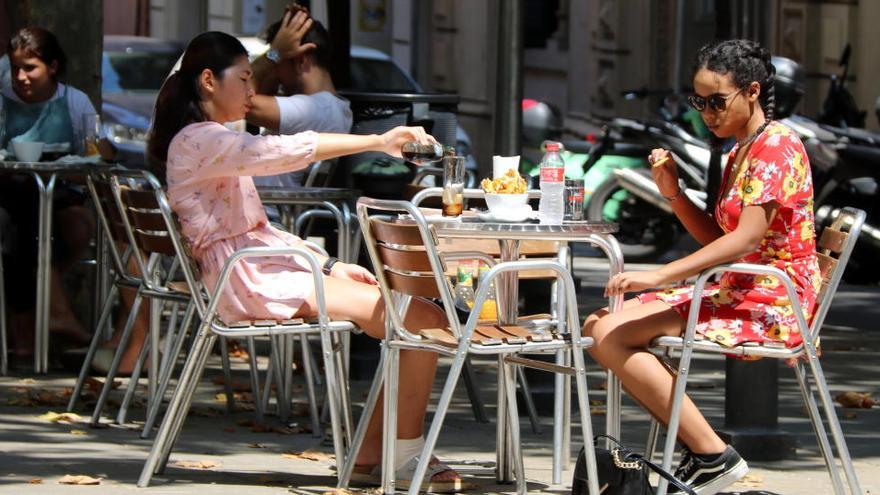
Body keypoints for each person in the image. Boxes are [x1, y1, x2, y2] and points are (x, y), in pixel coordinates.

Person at [147, 31, 467, 492]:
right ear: (208, 81)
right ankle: (401, 453)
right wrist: (377, 141)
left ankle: (378, 454)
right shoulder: (199, 140)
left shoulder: (205, 139)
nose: (252, 89)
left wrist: (328, 265)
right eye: (243, 78)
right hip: (249, 280)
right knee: (419, 318)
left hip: (258, 270)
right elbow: (281, 152)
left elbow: (256, 228)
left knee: (418, 317)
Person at [583, 39, 819, 494]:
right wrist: (672, 192)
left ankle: (712, 455)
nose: (707, 113)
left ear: (752, 91)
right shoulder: (742, 147)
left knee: (607, 332)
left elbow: (746, 239)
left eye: (717, 101)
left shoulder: (775, 147)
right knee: (600, 324)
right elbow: (719, 237)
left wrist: (659, 274)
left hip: (770, 300)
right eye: (699, 101)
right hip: (741, 286)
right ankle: (705, 453)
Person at [0, 27, 98, 360]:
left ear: (52, 67)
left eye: (30, 68)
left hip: (58, 196)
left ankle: (30, 334)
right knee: (23, 219)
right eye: (15, 68)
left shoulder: (74, 101)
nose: (21, 77)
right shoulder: (3, 100)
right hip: (11, 197)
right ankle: (53, 316)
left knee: (63, 226)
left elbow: (91, 154)